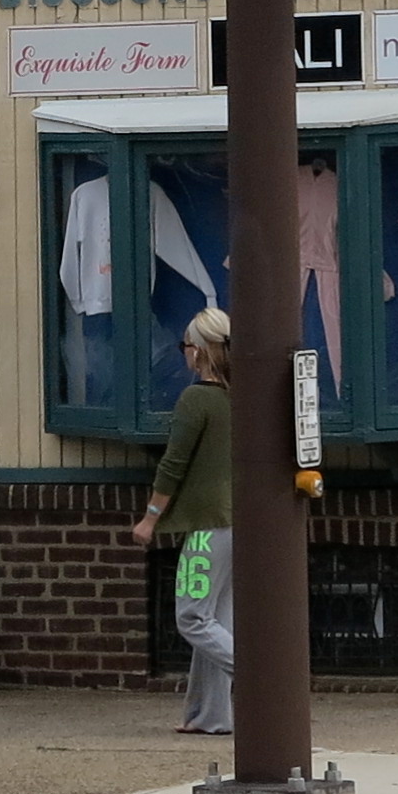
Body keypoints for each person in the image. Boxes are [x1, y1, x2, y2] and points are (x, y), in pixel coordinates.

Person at [130, 308, 235, 736]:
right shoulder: (242, 397)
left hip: (207, 525)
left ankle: (265, 676)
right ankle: (209, 716)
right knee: (216, 621)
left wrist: (150, 519)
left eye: (186, 347)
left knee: (192, 617)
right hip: (238, 522)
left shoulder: (197, 399)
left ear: (201, 351)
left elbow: (173, 464)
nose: (185, 355)